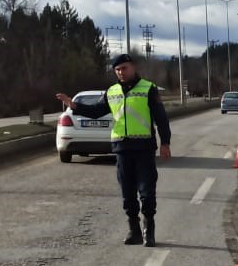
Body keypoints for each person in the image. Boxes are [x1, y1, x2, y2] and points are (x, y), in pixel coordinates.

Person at [56, 53, 171, 246]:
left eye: (124, 68)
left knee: (147, 191)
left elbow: (161, 118)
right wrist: (73, 105)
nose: (121, 72)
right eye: (117, 70)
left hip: (143, 147)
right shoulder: (112, 91)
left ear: (132, 67)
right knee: (127, 192)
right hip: (122, 148)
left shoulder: (148, 89)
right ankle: (134, 231)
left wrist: (165, 143)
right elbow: (96, 111)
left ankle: (148, 230)